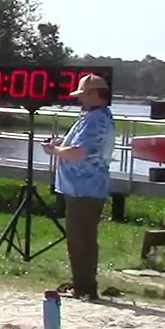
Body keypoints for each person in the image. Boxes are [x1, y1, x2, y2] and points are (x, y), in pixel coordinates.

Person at [43, 73, 115, 301]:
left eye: (82, 95)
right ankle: (82, 285)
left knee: (81, 241)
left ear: (94, 94)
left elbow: (79, 152)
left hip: (85, 189)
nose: (79, 99)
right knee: (80, 239)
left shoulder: (96, 120)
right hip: (82, 188)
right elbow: (75, 146)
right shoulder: (93, 117)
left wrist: (54, 151)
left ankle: (85, 289)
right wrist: (60, 145)